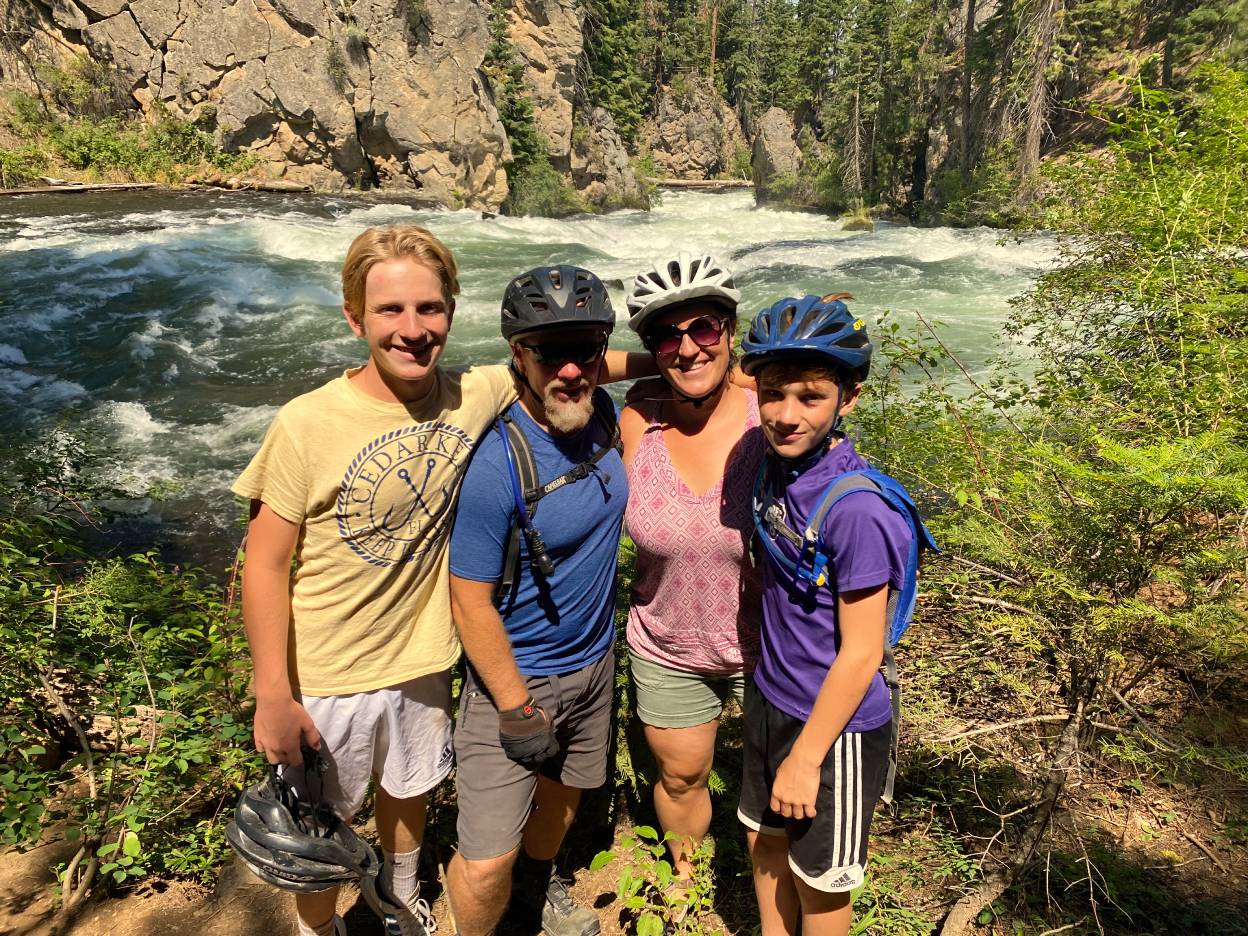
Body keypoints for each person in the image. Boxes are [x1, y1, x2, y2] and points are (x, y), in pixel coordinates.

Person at [233, 230, 645, 936]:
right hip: (329, 669)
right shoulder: (306, 423)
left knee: (409, 800)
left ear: (452, 313)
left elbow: (580, 361)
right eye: (390, 310)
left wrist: (696, 363)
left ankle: (398, 906)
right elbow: (264, 564)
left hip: (424, 658)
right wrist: (272, 691)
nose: (413, 329)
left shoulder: (474, 389)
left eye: (429, 308)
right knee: (319, 833)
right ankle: (319, 929)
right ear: (353, 316)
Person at [446, 265, 626, 936]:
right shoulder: (499, 464)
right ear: (518, 355)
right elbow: (468, 600)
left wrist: (745, 371)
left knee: (564, 795)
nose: (572, 370)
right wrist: (516, 707)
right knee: (486, 859)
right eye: (552, 352)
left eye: (586, 350)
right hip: (516, 681)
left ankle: (538, 889)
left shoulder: (602, 410)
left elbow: (660, 366)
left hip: (596, 664)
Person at [736, 294, 912, 936]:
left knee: (820, 886)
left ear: (849, 399)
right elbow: (724, 377)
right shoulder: (783, 468)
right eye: (773, 393)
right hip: (772, 698)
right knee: (765, 842)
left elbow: (863, 652)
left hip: (832, 729)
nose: (785, 415)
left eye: (810, 397)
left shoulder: (857, 510)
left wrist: (808, 757)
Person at [618, 253, 764, 886]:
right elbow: (561, 366)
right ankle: (687, 884)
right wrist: (678, 357)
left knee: (779, 787)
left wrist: (730, 368)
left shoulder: (775, 408)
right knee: (681, 777)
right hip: (669, 641)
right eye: (665, 336)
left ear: (731, 331)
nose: (687, 349)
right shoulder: (637, 413)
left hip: (774, 645)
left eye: (705, 329)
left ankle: (776, 900)